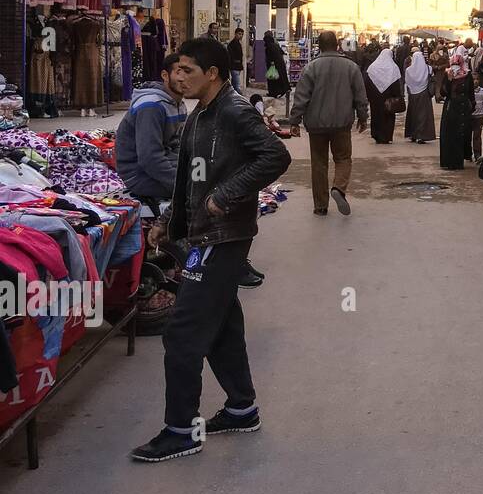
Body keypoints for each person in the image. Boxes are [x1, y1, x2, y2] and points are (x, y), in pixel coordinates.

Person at [131, 37, 291, 462]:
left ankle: (181, 430)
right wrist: (168, 222)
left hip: (223, 237)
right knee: (221, 327)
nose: (177, 77)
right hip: (201, 233)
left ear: (213, 74)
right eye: (176, 70)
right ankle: (242, 407)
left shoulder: (235, 111)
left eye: (187, 70)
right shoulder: (199, 113)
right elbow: (187, 177)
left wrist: (227, 194)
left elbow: (276, 155)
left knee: (182, 332)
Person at [286, 30, 369, 216]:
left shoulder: (310, 68)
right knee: (343, 158)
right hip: (342, 123)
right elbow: (360, 96)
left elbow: (301, 97)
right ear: (337, 45)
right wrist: (363, 117)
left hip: (316, 125)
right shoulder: (351, 67)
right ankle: (338, 188)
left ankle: (321, 206)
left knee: (319, 163)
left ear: (319, 46)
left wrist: (294, 121)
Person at [116, 52, 185, 209]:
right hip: (140, 176)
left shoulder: (178, 103)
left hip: (161, 167)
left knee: (208, 173)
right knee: (203, 190)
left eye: (187, 72)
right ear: (165, 75)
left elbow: (178, 146)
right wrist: (181, 184)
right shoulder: (151, 107)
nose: (183, 78)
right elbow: (150, 158)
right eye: (178, 72)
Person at [438, 48, 474, 170]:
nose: (455, 67)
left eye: (457, 64)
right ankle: (448, 162)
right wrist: (448, 80)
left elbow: (470, 93)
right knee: (449, 135)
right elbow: (443, 93)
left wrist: (471, 106)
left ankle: (459, 161)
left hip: (463, 109)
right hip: (450, 109)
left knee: (461, 135)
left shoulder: (467, 75)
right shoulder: (447, 74)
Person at [364, 46, 403, 144]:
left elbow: (367, 82)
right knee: (388, 117)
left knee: (376, 115)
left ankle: (376, 135)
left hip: (375, 98)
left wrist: (369, 96)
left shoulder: (373, 67)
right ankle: (386, 136)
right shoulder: (393, 67)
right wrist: (396, 95)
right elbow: (396, 84)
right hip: (388, 98)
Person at [403, 49, 436, 144]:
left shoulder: (409, 70)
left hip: (413, 94)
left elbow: (407, 82)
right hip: (424, 93)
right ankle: (422, 135)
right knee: (423, 115)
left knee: (413, 114)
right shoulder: (428, 68)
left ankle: (413, 134)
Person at [263, 31, 290, 108]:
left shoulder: (268, 46)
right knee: (279, 78)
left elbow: (269, 56)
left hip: (273, 65)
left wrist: (271, 63)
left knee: (273, 79)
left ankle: (274, 92)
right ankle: (282, 90)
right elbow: (281, 52)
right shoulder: (275, 44)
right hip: (280, 64)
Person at [472, 79, 483, 160]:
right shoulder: (468, 90)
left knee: (477, 136)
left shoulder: (482, 91)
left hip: (479, 117)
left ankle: (477, 155)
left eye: (477, 79)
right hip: (470, 116)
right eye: (473, 79)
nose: (475, 81)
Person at [226, 28, 245, 93]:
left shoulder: (238, 43)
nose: (241, 36)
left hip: (237, 66)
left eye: (242, 34)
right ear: (236, 34)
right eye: (239, 34)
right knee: (237, 85)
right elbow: (230, 56)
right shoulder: (232, 44)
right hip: (234, 67)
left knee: (234, 84)